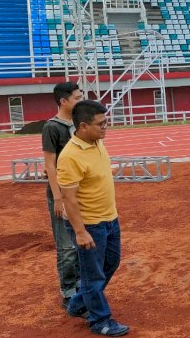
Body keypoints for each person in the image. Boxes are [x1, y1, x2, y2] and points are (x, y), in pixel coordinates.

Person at [58, 100, 129, 337]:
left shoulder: (96, 142)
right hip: (89, 225)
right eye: (101, 124)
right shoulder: (70, 156)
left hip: (110, 219)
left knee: (111, 263)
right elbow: (69, 198)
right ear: (83, 126)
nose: (106, 127)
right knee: (93, 275)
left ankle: (78, 304)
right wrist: (80, 232)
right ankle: (100, 320)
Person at [42, 82, 82, 310]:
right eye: (76, 98)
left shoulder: (80, 123)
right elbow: (50, 165)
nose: (80, 100)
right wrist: (57, 197)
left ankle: (80, 285)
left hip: (79, 194)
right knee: (66, 247)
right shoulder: (52, 127)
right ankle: (68, 291)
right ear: (63, 101)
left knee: (82, 242)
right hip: (61, 195)